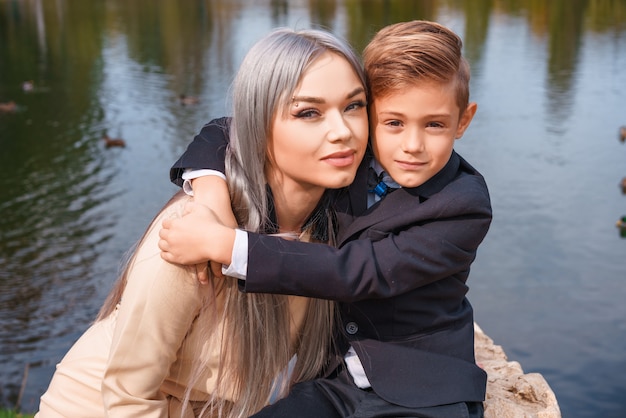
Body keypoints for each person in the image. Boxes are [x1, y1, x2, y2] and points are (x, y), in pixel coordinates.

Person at [160, 20, 491, 418]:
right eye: (393, 123)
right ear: (367, 115)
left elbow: (360, 271)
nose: (412, 145)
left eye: (434, 124)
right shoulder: (349, 159)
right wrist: (212, 200)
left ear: (464, 121)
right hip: (332, 380)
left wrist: (228, 245)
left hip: (421, 387)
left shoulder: (463, 204)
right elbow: (226, 131)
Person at [35, 27, 369, 418]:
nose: (343, 132)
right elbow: (128, 398)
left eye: (354, 106)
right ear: (259, 127)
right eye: (308, 112)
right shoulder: (188, 235)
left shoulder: (341, 226)